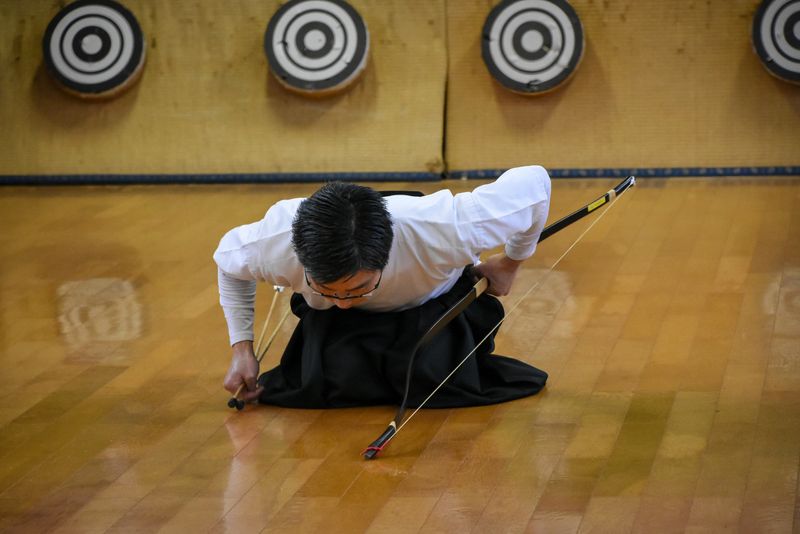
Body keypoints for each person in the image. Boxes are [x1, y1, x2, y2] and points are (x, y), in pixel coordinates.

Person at [215, 165, 552, 408]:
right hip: (332, 325)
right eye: (328, 287)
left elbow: (535, 182)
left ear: (384, 258)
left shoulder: (448, 227)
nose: (346, 301)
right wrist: (241, 350)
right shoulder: (275, 242)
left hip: (429, 310)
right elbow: (228, 265)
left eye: (359, 287)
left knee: (437, 383)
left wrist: (510, 263)